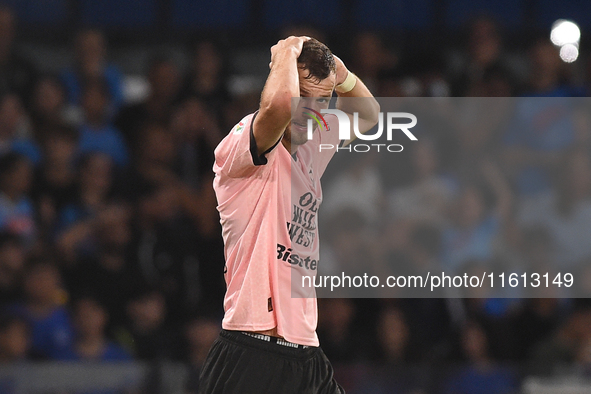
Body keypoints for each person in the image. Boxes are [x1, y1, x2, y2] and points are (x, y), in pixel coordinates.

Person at [198, 36, 378, 393]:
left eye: (321, 100)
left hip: (307, 352)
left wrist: (340, 75)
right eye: (302, 95)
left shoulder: (315, 142)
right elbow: (278, 107)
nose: (310, 110)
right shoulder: (244, 145)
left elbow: (369, 115)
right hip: (251, 350)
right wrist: (285, 53)